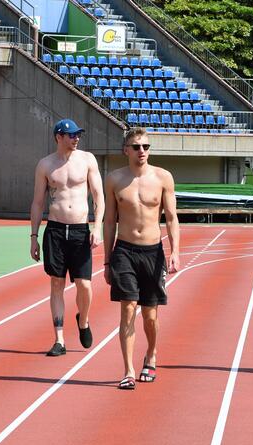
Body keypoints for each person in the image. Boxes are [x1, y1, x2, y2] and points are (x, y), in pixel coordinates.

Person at [103, 128, 179, 390]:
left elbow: (171, 217)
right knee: (127, 308)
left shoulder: (163, 177)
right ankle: (128, 370)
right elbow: (109, 220)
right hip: (124, 250)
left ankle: (152, 353)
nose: (142, 151)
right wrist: (106, 260)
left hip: (152, 252)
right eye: (136, 147)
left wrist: (175, 252)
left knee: (150, 316)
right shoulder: (114, 179)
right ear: (126, 150)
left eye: (146, 146)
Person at [30, 119, 104, 356]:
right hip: (56, 230)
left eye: (77, 135)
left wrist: (97, 227)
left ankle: (83, 320)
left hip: (81, 230)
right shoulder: (45, 165)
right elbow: (38, 202)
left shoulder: (87, 160)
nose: (76, 138)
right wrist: (33, 235)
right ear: (58, 137)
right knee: (56, 283)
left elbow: (98, 196)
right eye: (71, 135)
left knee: (84, 284)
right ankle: (59, 339)